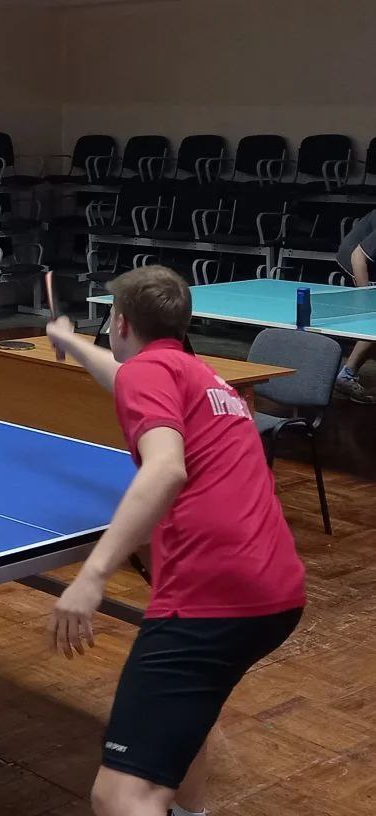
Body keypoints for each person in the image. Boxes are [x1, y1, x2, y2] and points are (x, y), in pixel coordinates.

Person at [44, 265, 306, 816]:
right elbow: (123, 375)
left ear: (119, 323)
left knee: (119, 796)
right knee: (187, 719)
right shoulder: (201, 375)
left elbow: (165, 468)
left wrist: (92, 576)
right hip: (274, 592)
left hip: (208, 597)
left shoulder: (149, 373)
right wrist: (71, 342)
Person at [333, 209, 376, 403]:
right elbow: (358, 257)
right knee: (374, 319)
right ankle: (346, 375)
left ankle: (347, 375)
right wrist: (365, 298)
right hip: (355, 257)